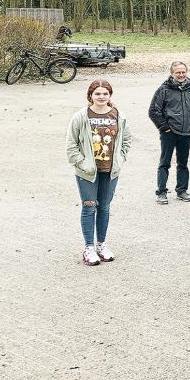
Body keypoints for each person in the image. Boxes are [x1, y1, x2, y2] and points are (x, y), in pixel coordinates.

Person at [67, 80, 131, 266]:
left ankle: (101, 245)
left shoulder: (118, 116)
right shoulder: (81, 116)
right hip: (87, 172)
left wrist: (120, 159)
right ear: (91, 96)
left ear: (110, 95)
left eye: (105, 93)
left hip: (110, 171)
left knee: (104, 207)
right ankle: (89, 248)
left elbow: (126, 140)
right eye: (97, 94)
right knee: (89, 207)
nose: (101, 97)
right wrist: (82, 164)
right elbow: (71, 145)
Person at [149, 61, 190, 204]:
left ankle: (182, 190)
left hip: (186, 132)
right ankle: (161, 192)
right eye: (178, 72)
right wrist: (165, 127)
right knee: (165, 162)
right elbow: (154, 111)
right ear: (172, 73)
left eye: (183, 72)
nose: (181, 74)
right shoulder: (164, 90)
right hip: (169, 132)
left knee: (183, 163)